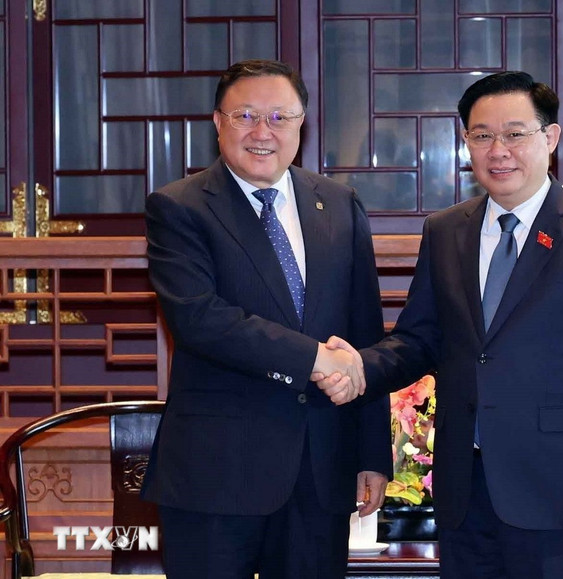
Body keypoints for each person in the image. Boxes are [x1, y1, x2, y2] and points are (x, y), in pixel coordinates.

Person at [316, 71, 563, 578]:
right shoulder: (447, 229)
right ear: (466, 143)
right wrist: (358, 365)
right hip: (464, 489)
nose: (498, 149)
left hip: (562, 490)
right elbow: (420, 338)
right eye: (482, 135)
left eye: (515, 133)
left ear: (551, 138)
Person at [142, 59, 392, 579]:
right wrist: (313, 358)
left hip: (321, 472)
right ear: (218, 122)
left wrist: (372, 454)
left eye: (280, 118)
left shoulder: (339, 204)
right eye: (246, 116)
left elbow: (363, 334)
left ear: (302, 123)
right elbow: (200, 318)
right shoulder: (180, 207)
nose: (263, 132)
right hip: (216, 472)